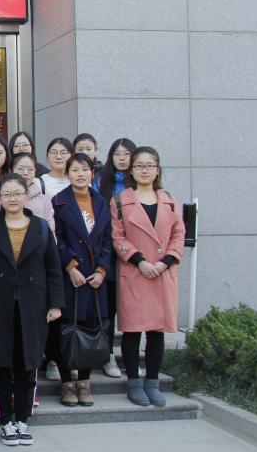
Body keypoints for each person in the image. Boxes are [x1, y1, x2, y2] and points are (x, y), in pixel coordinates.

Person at [0, 174, 63, 447]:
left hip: (32, 304)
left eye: (17, 193)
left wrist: (55, 303)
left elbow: (53, 268)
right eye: (7, 194)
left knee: (28, 363)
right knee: (0, 364)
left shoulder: (41, 227)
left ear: (26, 195)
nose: (12, 199)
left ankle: (23, 418)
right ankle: (5, 420)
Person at [111, 146, 185, 408]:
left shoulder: (169, 200)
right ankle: (133, 382)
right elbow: (117, 237)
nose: (144, 170)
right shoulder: (120, 200)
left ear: (157, 170)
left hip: (162, 273)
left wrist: (165, 263)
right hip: (135, 271)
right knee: (132, 330)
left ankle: (152, 381)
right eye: (139, 165)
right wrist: (140, 261)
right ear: (131, 170)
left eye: (149, 165)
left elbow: (179, 235)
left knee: (156, 331)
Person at [51, 153, 113, 407]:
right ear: (67, 174)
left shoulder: (101, 202)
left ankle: (85, 382)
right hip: (71, 276)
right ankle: (67, 382)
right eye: (75, 169)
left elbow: (108, 240)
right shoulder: (59, 202)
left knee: (91, 327)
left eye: (85, 169)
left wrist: (102, 271)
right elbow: (56, 237)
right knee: (66, 328)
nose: (80, 174)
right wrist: (70, 266)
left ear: (92, 173)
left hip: (94, 277)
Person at [95, 137, 137, 377]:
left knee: (132, 308)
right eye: (117, 154)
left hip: (134, 256)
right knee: (108, 309)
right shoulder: (101, 182)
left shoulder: (139, 184)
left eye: (127, 154)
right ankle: (108, 355)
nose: (122, 158)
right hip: (109, 255)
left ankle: (131, 358)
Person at [8, 153, 55, 231]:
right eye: (21, 169)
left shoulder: (45, 200)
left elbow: (50, 231)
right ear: (11, 171)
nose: (25, 173)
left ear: (35, 171)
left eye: (30, 169)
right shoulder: (2, 197)